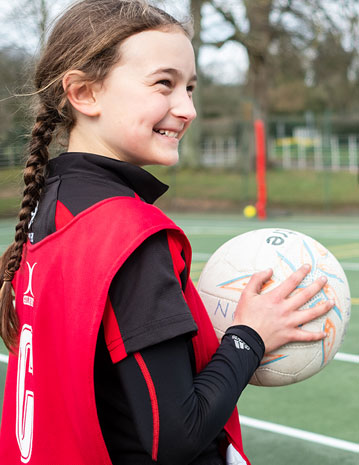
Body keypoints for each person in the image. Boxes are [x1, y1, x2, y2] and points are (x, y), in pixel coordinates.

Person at [0, 1, 333, 464]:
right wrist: (249, 335)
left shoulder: (50, 207)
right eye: (164, 84)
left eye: (191, 87)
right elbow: (177, 436)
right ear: (84, 93)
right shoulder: (128, 234)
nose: (188, 108)